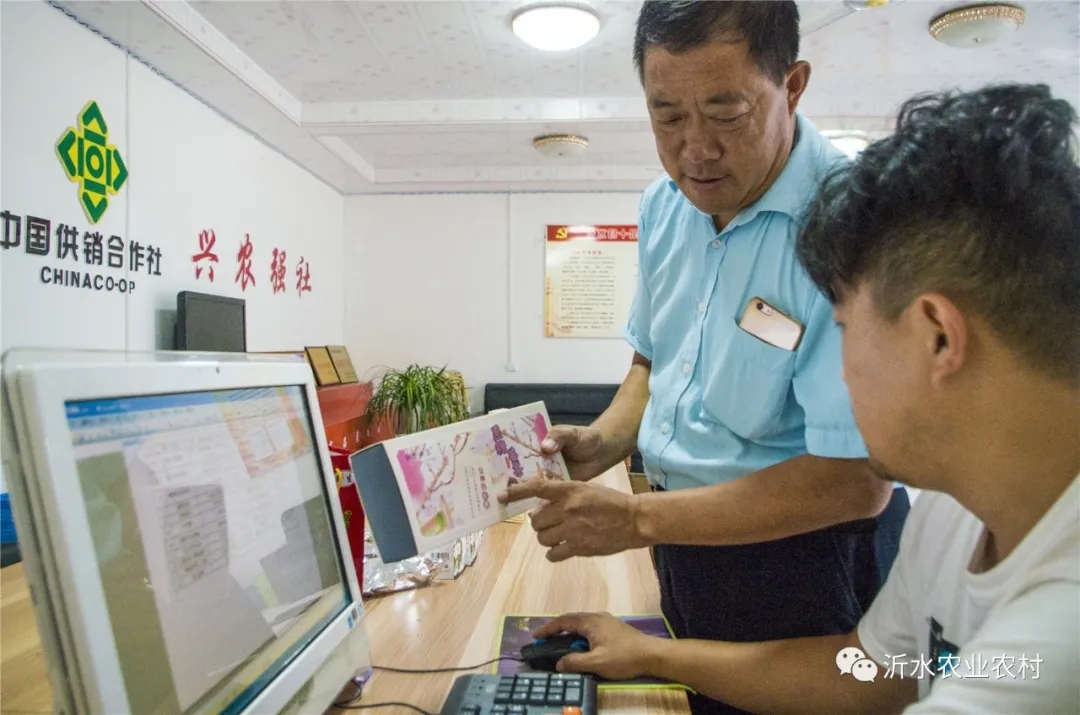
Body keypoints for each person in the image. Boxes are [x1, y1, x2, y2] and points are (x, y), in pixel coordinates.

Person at [524, 83, 1080, 714]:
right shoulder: (957, 515)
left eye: (843, 331)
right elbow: (871, 671)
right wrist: (654, 655)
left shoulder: (1055, 644)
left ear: (938, 337)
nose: (835, 374)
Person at [502, 4, 908, 713]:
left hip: (803, 557)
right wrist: (601, 441)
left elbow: (854, 480)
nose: (695, 149)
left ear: (793, 86)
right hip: (681, 539)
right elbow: (651, 366)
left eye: (726, 113)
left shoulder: (853, 225)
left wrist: (636, 521)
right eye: (667, 117)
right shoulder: (665, 208)